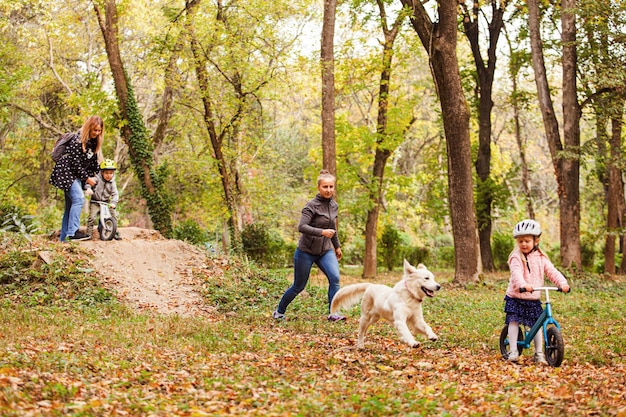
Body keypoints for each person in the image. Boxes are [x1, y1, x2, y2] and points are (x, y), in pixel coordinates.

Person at [273, 170, 345, 322]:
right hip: (306, 251)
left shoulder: (334, 206)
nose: (329, 190)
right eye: (325, 187)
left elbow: (333, 227)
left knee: (335, 278)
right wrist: (322, 232)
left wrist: (336, 246)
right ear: (319, 187)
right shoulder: (311, 206)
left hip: (325, 251)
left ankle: (333, 314)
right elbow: (302, 227)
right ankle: (279, 312)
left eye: (331, 187)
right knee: (298, 286)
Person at [504, 219, 570, 364]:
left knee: (536, 325)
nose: (523, 244)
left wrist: (562, 283)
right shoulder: (516, 257)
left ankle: (539, 353)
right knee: (513, 321)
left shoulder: (541, 258)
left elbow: (552, 272)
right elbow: (516, 274)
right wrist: (523, 284)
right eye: (520, 241)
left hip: (533, 298)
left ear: (536, 240)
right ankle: (513, 350)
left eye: (527, 241)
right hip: (516, 296)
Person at [50, 116, 103, 241]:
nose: (96, 133)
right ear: (89, 128)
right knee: (79, 199)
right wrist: (87, 179)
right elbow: (75, 165)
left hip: (77, 174)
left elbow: (93, 164)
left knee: (70, 207)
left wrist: (100, 174)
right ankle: (73, 232)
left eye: (99, 131)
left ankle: (63, 240)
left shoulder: (94, 143)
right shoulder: (77, 140)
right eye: (94, 130)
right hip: (66, 172)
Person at [84, 158, 119, 239]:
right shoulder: (97, 178)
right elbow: (89, 182)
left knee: (113, 216)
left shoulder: (112, 183)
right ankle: (88, 234)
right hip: (95, 201)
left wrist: (114, 202)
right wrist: (88, 188)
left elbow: (115, 194)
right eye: (106, 173)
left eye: (111, 173)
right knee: (92, 217)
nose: (108, 175)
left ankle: (114, 232)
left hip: (106, 202)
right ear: (102, 172)